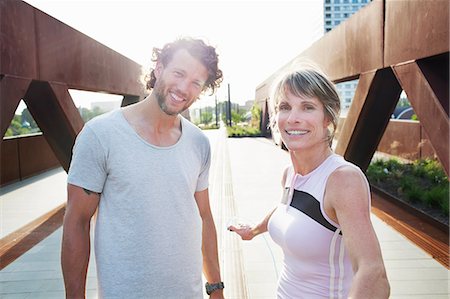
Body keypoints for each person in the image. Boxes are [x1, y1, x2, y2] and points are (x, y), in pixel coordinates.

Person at [61, 37, 225, 298]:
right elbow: (77, 222)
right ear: (159, 68)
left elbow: (204, 216)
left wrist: (215, 288)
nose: (184, 88)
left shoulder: (198, 143)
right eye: (179, 73)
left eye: (196, 82)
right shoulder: (100, 135)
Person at [229, 67, 390, 298]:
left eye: (307, 107)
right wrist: (254, 230)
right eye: (285, 107)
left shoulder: (343, 180)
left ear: (328, 118)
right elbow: (288, 207)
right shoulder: (290, 174)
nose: (293, 118)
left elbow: (373, 274)